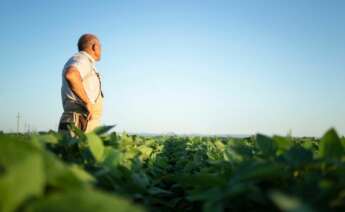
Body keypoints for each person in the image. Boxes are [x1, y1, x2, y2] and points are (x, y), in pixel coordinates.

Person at [58, 33, 104, 134]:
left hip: (81, 121)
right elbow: (71, 75)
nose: (101, 50)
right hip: (80, 123)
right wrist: (87, 102)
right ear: (94, 47)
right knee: (76, 150)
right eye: (100, 46)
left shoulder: (83, 60)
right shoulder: (82, 59)